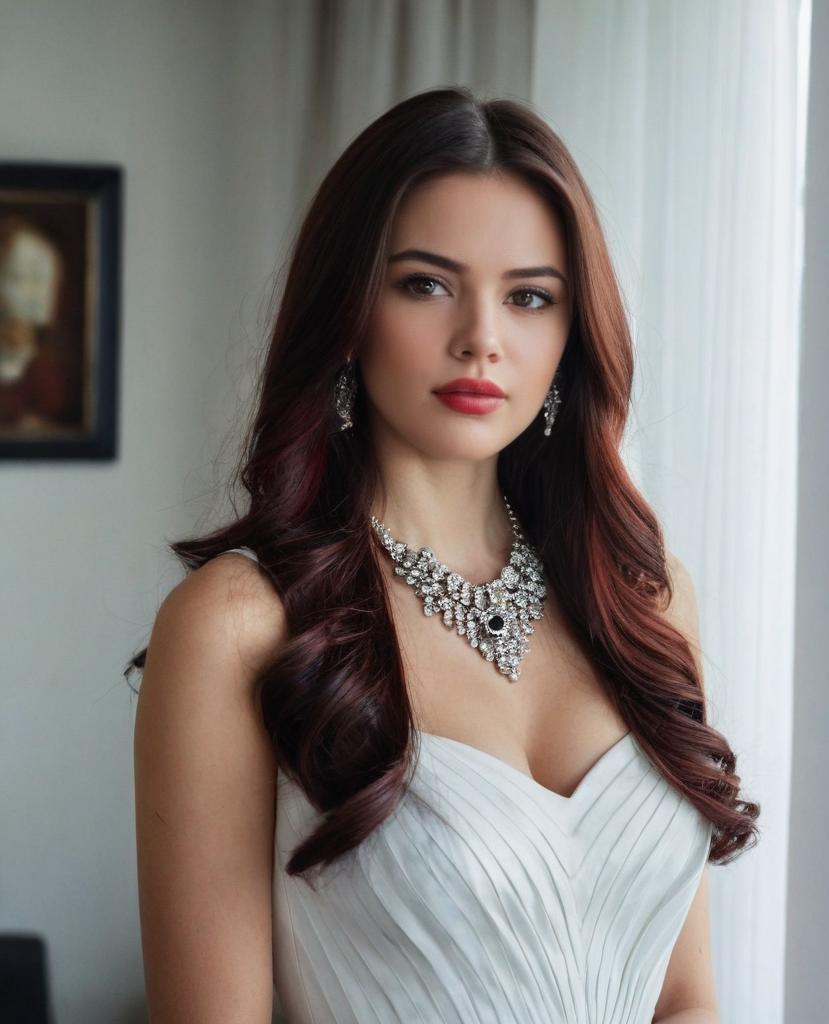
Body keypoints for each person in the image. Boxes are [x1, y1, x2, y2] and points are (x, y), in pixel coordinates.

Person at [127, 85, 760, 1024]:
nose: (482, 340)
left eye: (530, 297)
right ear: (347, 311)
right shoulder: (237, 627)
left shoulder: (648, 602)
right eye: (425, 283)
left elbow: (686, 999)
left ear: (569, 332)